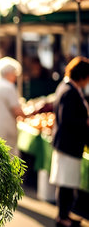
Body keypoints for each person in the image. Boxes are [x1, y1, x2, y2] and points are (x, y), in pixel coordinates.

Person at [49, 56, 89, 227]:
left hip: (67, 143)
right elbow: (67, 119)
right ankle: (63, 217)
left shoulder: (68, 88)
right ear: (82, 76)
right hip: (68, 143)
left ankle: (64, 215)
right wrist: (86, 123)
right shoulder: (69, 91)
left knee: (67, 182)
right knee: (66, 184)